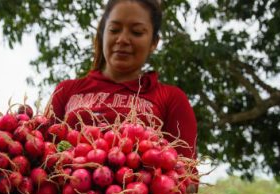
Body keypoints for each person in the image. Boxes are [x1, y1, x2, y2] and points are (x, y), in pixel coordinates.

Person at [46, 0, 197, 160]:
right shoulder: (67, 90)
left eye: (137, 32)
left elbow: (186, 176)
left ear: (153, 42)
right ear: (103, 33)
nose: (123, 39)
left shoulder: (171, 98)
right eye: (114, 30)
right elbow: (42, 151)